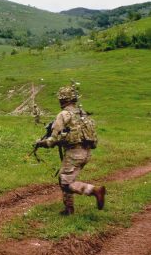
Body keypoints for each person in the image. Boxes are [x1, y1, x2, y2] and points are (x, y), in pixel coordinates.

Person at [36, 85, 106, 215]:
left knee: (66, 184)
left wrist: (40, 143)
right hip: (86, 152)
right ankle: (69, 209)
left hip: (74, 153)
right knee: (65, 179)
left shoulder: (63, 115)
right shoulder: (82, 114)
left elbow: (52, 140)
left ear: (62, 100)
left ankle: (94, 190)